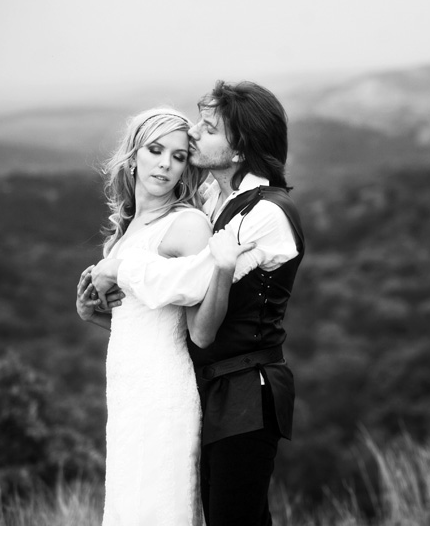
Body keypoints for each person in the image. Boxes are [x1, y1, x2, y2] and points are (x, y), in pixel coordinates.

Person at [90, 80, 305, 525]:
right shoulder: (215, 199)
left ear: (240, 150)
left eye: (207, 130)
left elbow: (195, 285)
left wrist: (119, 270)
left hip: (249, 386)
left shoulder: (266, 214)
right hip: (212, 385)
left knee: (236, 523)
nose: (194, 136)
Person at [75, 107, 255, 525]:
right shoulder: (124, 232)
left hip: (161, 395)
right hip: (125, 395)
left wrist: (223, 270)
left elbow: (195, 328)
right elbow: (141, 325)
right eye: (156, 150)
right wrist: (92, 314)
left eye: (178, 156)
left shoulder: (188, 224)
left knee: (157, 511)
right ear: (134, 154)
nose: (165, 164)